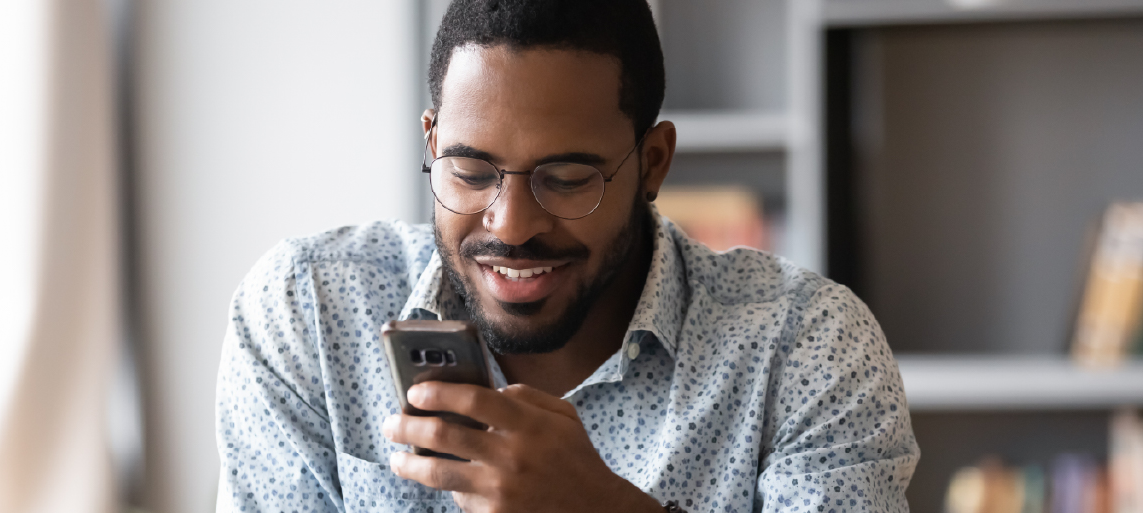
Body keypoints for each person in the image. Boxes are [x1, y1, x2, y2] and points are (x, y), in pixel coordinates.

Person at [214, 0, 918, 511]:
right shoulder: (306, 308)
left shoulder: (806, 344)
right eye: (470, 171)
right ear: (431, 143)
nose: (511, 224)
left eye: (568, 178)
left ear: (651, 163)